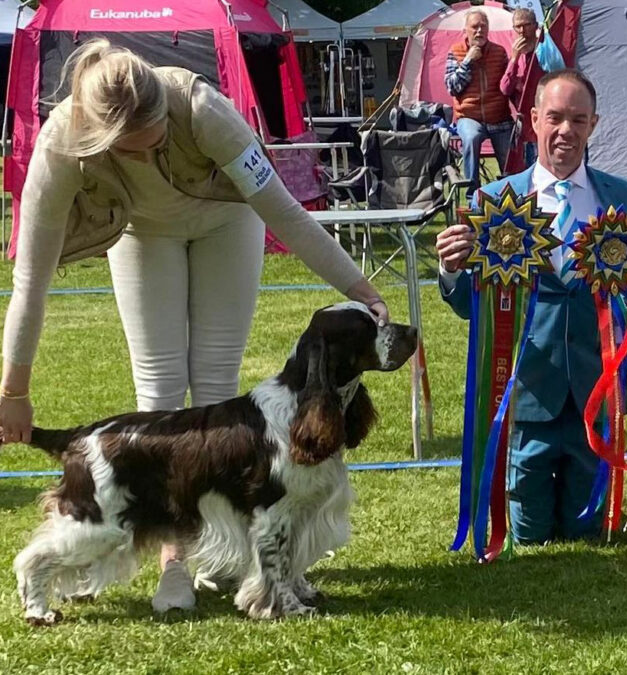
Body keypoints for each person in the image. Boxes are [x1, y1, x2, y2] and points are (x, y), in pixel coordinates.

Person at [0, 41, 389, 611]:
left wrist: (360, 290)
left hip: (226, 221)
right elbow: (30, 279)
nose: (150, 151)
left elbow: (286, 213)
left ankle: (225, 558)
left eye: (158, 137)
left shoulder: (202, 107)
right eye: (133, 149)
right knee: (157, 389)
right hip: (140, 232)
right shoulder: (62, 144)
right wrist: (13, 392)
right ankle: (173, 564)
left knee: (216, 393)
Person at [436, 69, 627, 543]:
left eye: (578, 119)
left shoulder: (622, 198)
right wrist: (453, 269)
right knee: (530, 535)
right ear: (533, 119)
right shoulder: (495, 199)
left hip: (595, 396)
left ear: (593, 124)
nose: (566, 131)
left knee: (586, 532)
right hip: (527, 394)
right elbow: (466, 305)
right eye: (555, 117)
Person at [444, 9, 513, 195]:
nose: (479, 31)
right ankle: (473, 194)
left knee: (510, 154)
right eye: (475, 27)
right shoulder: (455, 51)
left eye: (484, 26)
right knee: (472, 138)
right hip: (469, 116)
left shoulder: (499, 52)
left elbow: (509, 84)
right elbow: (452, 87)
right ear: (465, 30)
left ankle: (511, 196)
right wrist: (467, 61)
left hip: (499, 117)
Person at [500, 7, 566, 170]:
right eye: (518, 26)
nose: (522, 31)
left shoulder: (544, 51)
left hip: (547, 117)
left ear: (535, 26)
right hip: (525, 123)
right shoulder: (515, 57)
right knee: (531, 168)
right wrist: (514, 60)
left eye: (526, 25)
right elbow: (505, 89)